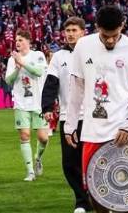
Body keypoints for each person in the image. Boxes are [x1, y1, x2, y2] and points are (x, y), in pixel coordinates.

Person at [64, 5, 128, 213]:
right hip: (93, 131)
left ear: (122, 26)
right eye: (105, 36)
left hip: (122, 130)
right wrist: (70, 123)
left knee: (125, 191)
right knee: (94, 190)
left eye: (114, 35)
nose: (110, 40)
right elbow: (76, 86)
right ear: (96, 28)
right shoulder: (83, 45)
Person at [41, 17, 90, 213]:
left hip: (92, 117)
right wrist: (46, 107)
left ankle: (99, 197)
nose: (70, 33)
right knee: (70, 163)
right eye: (67, 30)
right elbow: (51, 83)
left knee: (93, 160)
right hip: (68, 118)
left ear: (83, 32)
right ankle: (81, 200)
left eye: (74, 30)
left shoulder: (92, 53)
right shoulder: (58, 57)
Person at [4, 30, 49, 181]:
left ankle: (38, 158)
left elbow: (38, 72)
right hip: (21, 103)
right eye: (16, 40)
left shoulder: (38, 55)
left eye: (21, 40)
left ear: (29, 41)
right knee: (25, 135)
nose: (17, 42)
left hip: (38, 103)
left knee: (43, 138)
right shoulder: (12, 60)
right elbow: (9, 81)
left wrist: (22, 63)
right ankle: (30, 171)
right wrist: (17, 68)